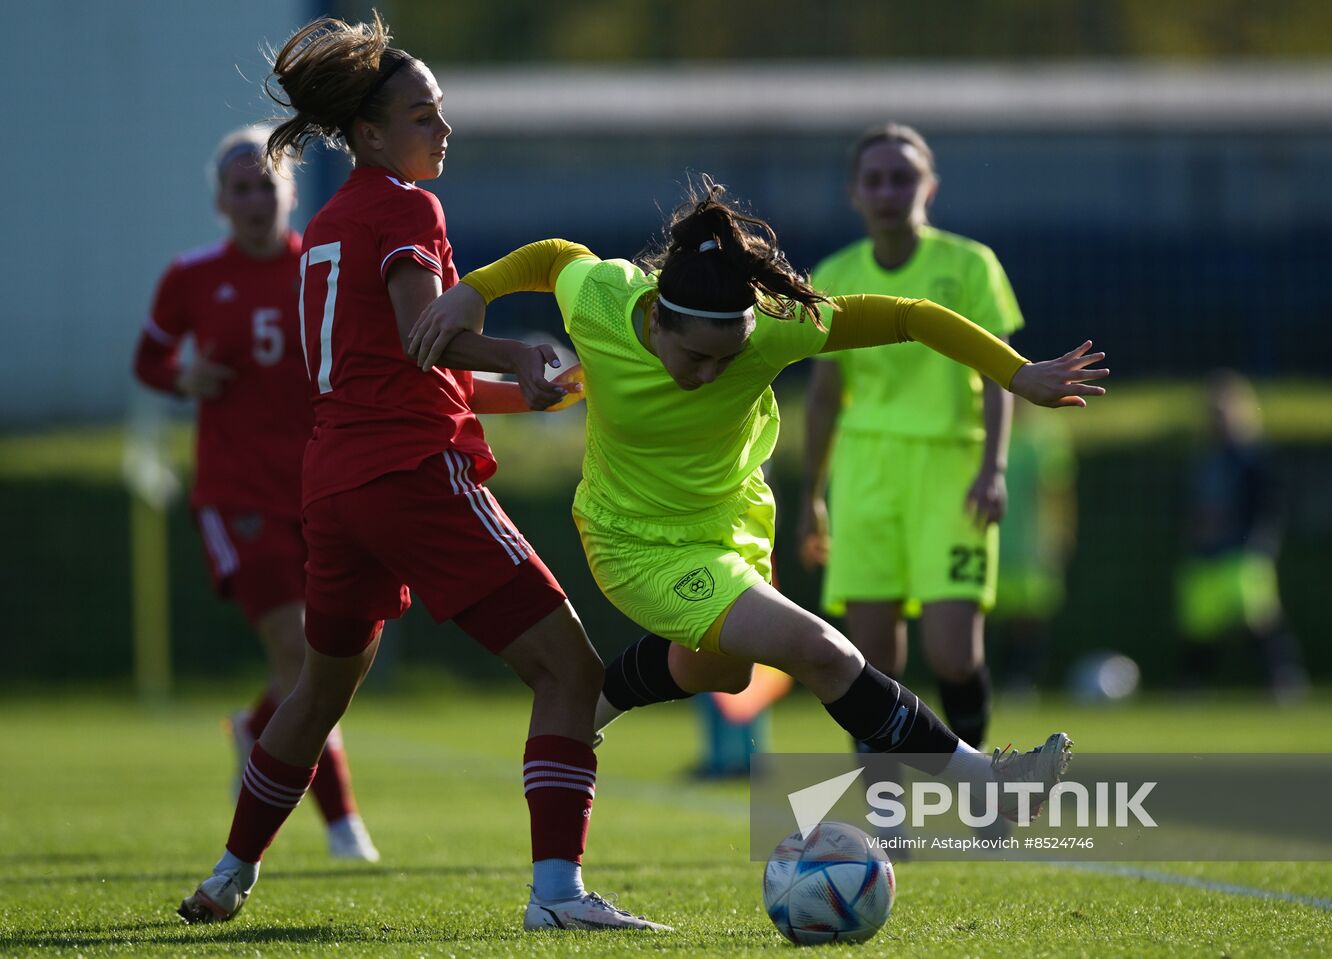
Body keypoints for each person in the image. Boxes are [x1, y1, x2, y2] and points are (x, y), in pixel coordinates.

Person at [411, 177, 1109, 830]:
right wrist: (474, 291)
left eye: (729, 358)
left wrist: (1017, 374)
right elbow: (553, 255)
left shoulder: (776, 326)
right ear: (656, 321)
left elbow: (910, 316)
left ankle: (592, 699)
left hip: (733, 526)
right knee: (820, 649)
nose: (712, 373)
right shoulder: (602, 300)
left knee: (722, 668)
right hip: (635, 544)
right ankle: (985, 779)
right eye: (696, 358)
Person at [177, 14, 666, 932]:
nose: (442, 129)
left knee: (317, 690)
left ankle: (230, 870)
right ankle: (558, 894)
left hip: (335, 484)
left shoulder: (325, 223)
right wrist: (514, 348)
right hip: (407, 476)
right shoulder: (406, 206)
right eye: (421, 115)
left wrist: (525, 389)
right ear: (368, 134)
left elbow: (394, 367)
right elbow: (421, 336)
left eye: (440, 111)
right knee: (569, 670)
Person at [133, 125, 378, 863]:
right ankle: (344, 827)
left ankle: (258, 726)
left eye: (265, 185)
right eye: (239, 187)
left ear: (292, 194)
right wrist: (183, 376)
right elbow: (150, 357)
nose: (253, 199)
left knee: (337, 656)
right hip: (238, 493)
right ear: (220, 200)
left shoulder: (324, 269)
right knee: (304, 658)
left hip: (322, 487)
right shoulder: (193, 275)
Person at [797, 124, 1020, 754]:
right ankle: (888, 821)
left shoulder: (970, 265)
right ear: (855, 193)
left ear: (930, 188)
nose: (889, 191)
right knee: (869, 664)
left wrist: (993, 467)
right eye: (875, 179)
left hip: (952, 468)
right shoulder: (836, 273)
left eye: (902, 178)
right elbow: (824, 395)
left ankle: (984, 799)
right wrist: (814, 492)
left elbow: (999, 370)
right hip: (865, 472)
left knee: (953, 652)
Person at [1176, 370, 1308, 701]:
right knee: (1200, 625)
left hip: (1243, 551)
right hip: (1206, 553)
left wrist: (1260, 543)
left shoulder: (1254, 459)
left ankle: (1283, 678)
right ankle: (1194, 685)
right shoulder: (1204, 459)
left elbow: (1270, 506)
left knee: (1258, 619)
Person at [989, 397, 1078, 693]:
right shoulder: (988, 429)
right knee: (984, 614)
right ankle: (991, 679)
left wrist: (1061, 533)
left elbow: (1058, 491)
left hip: (1032, 544)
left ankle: (1022, 680)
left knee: (1029, 617)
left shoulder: (1046, 435)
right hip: (993, 540)